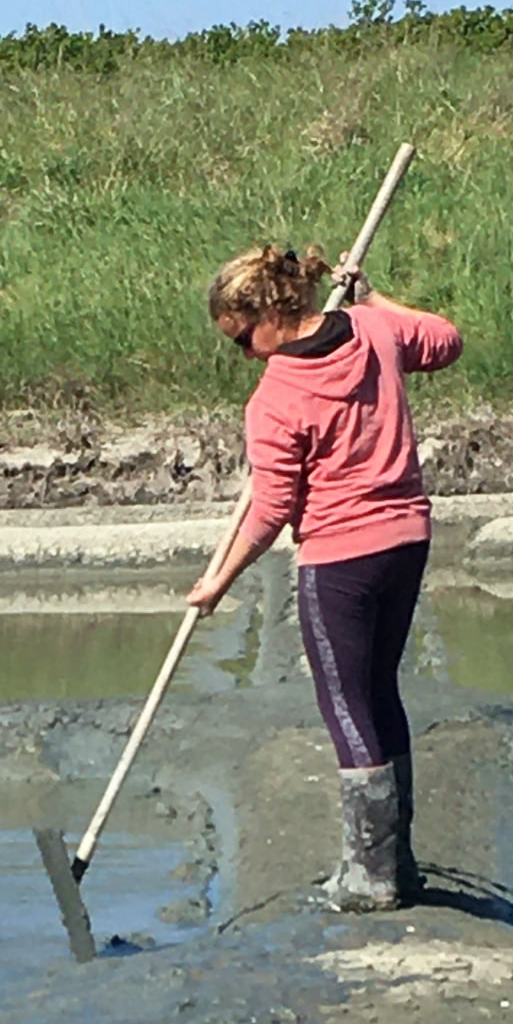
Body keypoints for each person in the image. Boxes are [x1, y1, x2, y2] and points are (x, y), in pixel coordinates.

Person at [187, 243, 462, 909]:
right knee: (378, 693)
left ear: (271, 312)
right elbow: (444, 339)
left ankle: (369, 878)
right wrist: (373, 299)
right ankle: (396, 863)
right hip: (406, 539)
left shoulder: (276, 395)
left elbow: (274, 506)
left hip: (340, 555)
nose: (244, 355)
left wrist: (220, 578)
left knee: (345, 703)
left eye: (243, 339)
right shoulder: (375, 330)